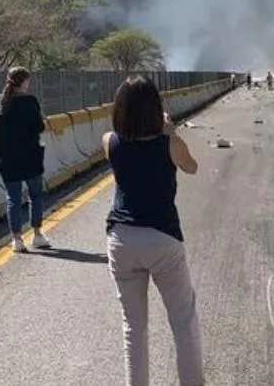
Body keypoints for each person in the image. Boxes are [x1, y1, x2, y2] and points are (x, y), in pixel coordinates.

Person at [104, 75, 203, 386]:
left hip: (121, 237)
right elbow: (192, 167)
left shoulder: (110, 141)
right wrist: (172, 133)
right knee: (182, 321)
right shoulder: (168, 144)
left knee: (133, 326)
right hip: (161, 237)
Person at [0, 66, 51, 253]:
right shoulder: (31, 101)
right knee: (35, 196)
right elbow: (38, 127)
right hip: (31, 156)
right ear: (23, 81)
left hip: (8, 158)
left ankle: (17, 239)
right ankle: (37, 234)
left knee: (13, 199)